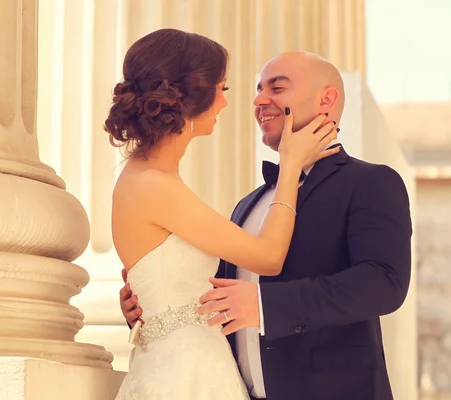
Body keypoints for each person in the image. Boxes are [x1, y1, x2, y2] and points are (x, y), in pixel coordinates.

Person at [120, 50, 412, 400]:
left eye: (277, 87)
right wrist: (151, 307)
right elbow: (218, 297)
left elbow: (383, 283)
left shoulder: (371, 182)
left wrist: (264, 305)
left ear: (327, 99)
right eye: (259, 90)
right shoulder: (249, 204)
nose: (259, 100)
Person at [107, 29, 338, 400]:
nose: (226, 104)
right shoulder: (154, 185)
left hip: (186, 364)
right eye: (223, 89)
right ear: (192, 96)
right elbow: (267, 257)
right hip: (186, 374)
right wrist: (291, 166)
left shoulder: (150, 179)